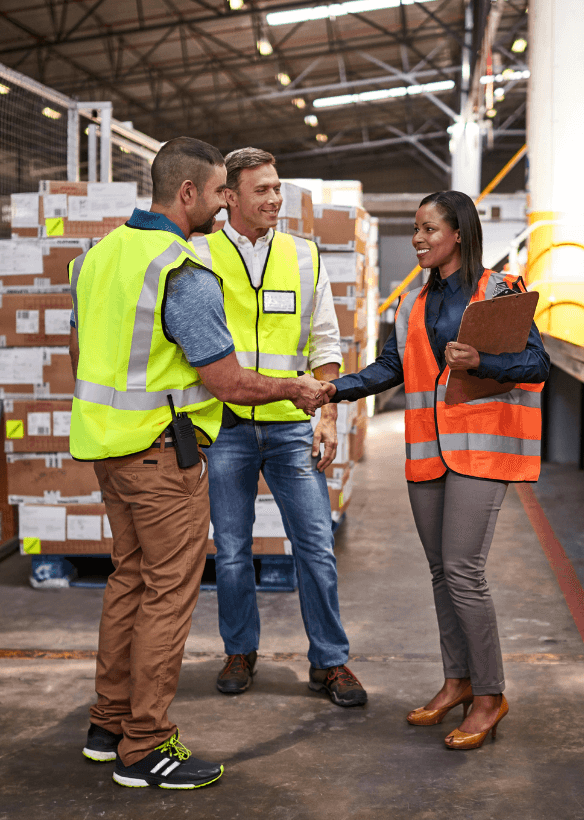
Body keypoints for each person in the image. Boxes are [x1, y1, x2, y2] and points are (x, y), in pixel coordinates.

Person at [68, 136, 336, 790]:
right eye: (221, 192)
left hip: (110, 450)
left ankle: (108, 724)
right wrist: (298, 389)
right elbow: (228, 383)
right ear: (187, 193)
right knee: (167, 594)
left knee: (129, 581)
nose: (226, 204)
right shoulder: (180, 268)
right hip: (162, 458)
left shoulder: (101, 255)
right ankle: (146, 745)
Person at [327, 190, 549, 750]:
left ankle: (490, 695)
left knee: (463, 569)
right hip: (428, 452)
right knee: (439, 572)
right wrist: (333, 389)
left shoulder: (499, 290)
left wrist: (484, 363)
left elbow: (537, 364)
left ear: (458, 234)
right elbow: (389, 369)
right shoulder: (410, 305)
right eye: (416, 230)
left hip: (481, 450)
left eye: (430, 229)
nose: (419, 239)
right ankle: (457, 680)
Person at [190, 148, 366, 707]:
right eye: (261, 190)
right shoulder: (198, 256)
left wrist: (330, 414)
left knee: (316, 545)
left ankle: (330, 661)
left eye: (276, 188)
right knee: (235, 550)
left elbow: (326, 341)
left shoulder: (304, 254)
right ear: (230, 197)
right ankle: (239, 650)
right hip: (228, 426)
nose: (273, 199)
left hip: (292, 424)